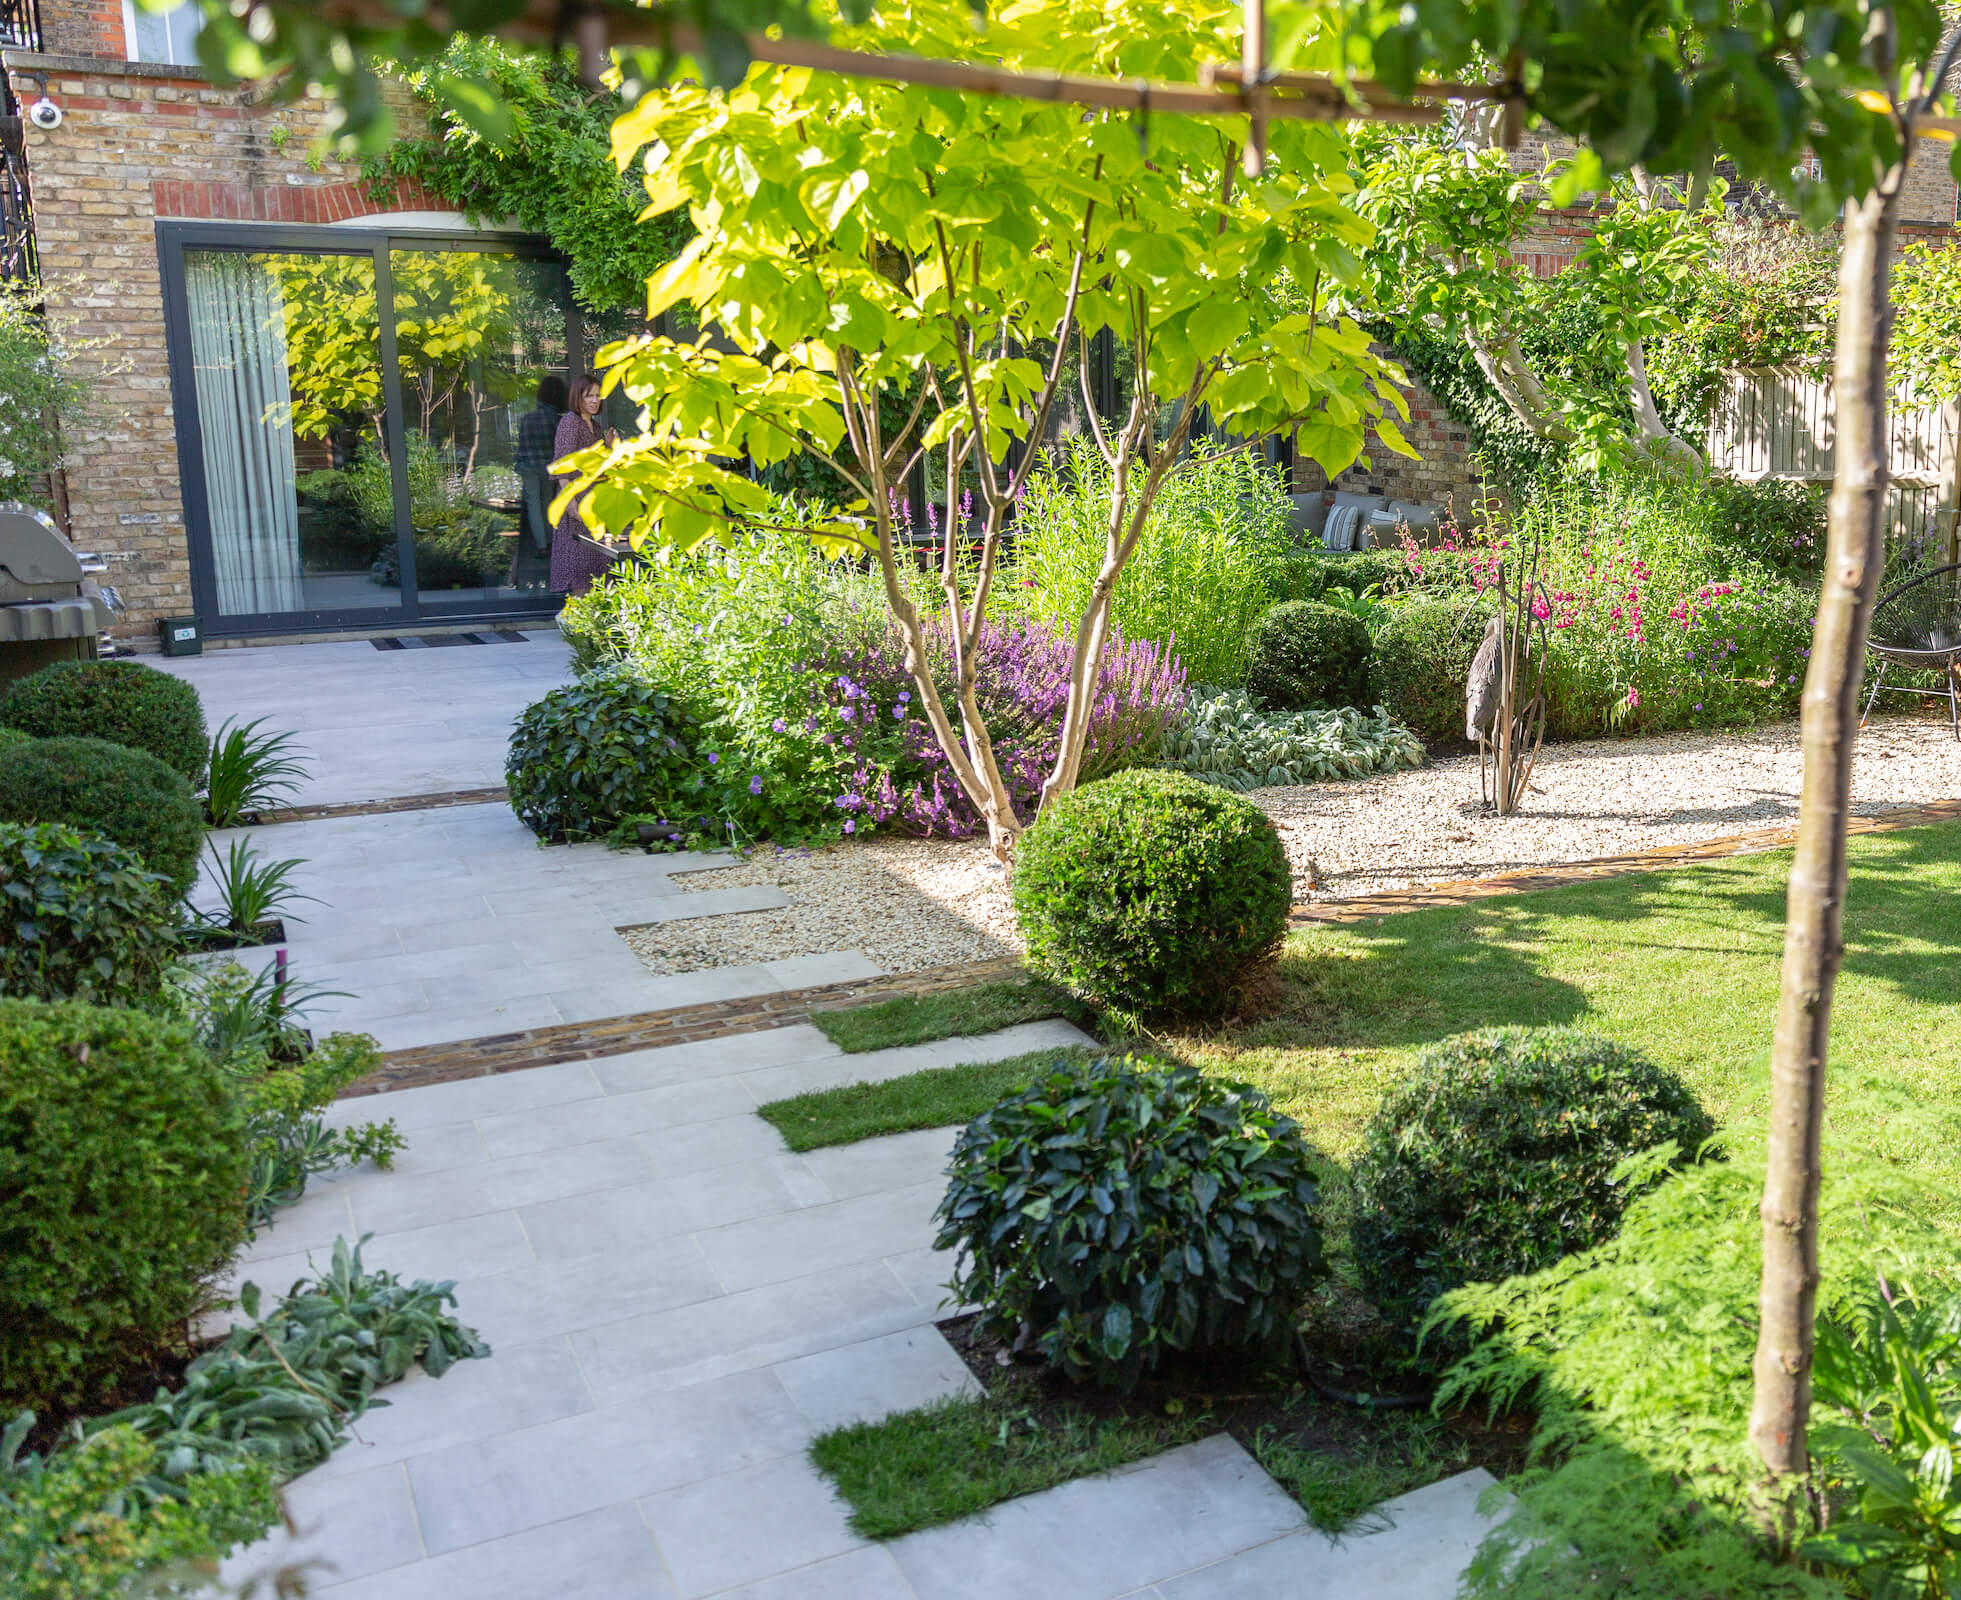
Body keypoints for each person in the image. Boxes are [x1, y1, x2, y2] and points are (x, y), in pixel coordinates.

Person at [550, 372, 619, 596]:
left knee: (597, 569)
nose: (594, 400)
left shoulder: (596, 427)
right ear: (577, 397)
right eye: (589, 395)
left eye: (598, 396)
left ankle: (590, 622)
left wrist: (608, 447)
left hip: (595, 505)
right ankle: (576, 622)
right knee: (579, 571)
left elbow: (599, 466)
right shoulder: (570, 422)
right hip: (577, 505)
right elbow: (562, 466)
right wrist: (570, 504)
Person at [514, 374, 566, 589]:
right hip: (548, 466)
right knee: (547, 503)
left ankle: (542, 545)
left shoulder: (527, 418)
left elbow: (521, 445)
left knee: (534, 504)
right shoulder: (557, 419)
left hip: (528, 466)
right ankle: (551, 543)